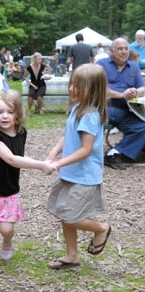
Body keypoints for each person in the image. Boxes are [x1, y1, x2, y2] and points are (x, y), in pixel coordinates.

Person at [0, 89, 56, 277]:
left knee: (7, 229)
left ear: (17, 114)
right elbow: (12, 159)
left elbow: (19, 156)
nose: (4, 116)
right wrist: (40, 165)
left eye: (9, 111)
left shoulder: (21, 133)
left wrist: (44, 163)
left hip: (10, 190)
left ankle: (7, 242)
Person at [46, 64, 111, 269]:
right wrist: (54, 152)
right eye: (71, 83)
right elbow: (67, 135)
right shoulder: (77, 108)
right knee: (66, 214)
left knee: (70, 216)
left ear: (92, 89)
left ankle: (101, 229)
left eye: (77, 86)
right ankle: (72, 255)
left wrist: (58, 163)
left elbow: (86, 150)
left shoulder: (90, 115)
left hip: (84, 176)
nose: (71, 89)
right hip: (72, 173)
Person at [96, 38, 145, 169]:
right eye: (120, 49)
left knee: (142, 127)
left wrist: (135, 91)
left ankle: (114, 153)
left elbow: (142, 88)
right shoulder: (101, 65)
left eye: (126, 49)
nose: (123, 52)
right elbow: (100, 90)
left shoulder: (133, 66)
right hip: (106, 108)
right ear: (111, 51)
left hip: (128, 110)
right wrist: (123, 94)